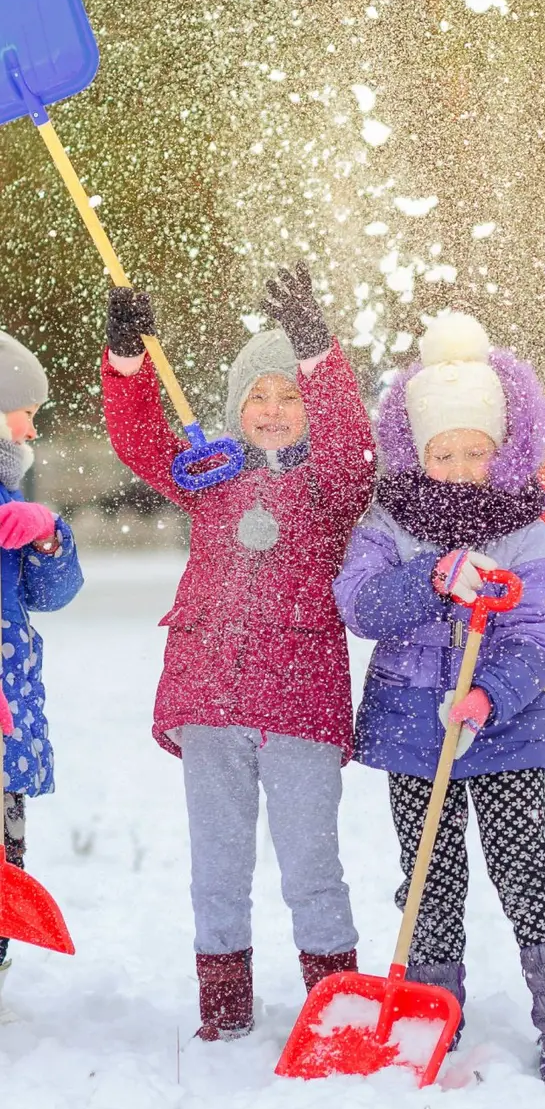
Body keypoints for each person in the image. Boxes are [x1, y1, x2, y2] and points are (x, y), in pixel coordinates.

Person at [101, 266, 374, 1040]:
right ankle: (223, 1012)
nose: (275, 409)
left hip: (300, 705)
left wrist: (320, 353)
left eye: (290, 395)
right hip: (209, 700)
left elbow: (353, 446)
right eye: (260, 395)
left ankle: (340, 1010)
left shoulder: (330, 488)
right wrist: (128, 361)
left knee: (311, 870)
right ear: (234, 408)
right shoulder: (208, 476)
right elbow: (140, 440)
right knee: (216, 870)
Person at [334, 310, 545, 1084]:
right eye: (442, 451)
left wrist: (488, 694)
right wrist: (431, 578)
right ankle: (431, 1014)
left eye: (474, 450)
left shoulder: (524, 530)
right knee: (427, 876)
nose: (457, 465)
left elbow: (544, 627)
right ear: (418, 450)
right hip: (413, 732)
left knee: (522, 867)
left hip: (503, 733)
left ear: (503, 449)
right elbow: (359, 605)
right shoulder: (389, 521)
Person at [0, 331, 84, 1018]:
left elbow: (49, 594)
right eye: (20, 410)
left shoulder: (13, 491)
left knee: (5, 855)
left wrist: (51, 536)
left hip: (8, 702)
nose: (30, 425)